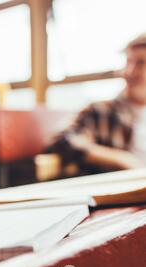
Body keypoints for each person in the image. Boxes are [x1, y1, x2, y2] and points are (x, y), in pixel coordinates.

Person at [50, 33, 146, 175]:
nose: (129, 72)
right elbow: (63, 140)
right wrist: (120, 158)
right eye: (128, 62)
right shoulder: (101, 110)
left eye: (141, 63)